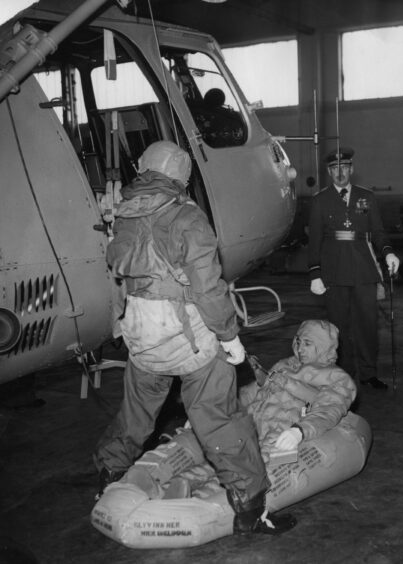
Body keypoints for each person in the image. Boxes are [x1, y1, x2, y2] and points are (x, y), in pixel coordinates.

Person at [93, 141, 296, 535]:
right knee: (219, 420)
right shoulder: (187, 218)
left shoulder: (125, 215)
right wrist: (229, 336)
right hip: (190, 339)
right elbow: (208, 288)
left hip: (141, 334)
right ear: (182, 176)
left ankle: (106, 475)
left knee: (136, 415)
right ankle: (251, 509)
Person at [308, 147, 400, 390]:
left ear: (352, 169)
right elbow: (314, 239)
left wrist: (388, 251)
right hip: (333, 272)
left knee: (368, 325)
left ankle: (369, 373)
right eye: (335, 168)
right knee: (338, 327)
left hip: (363, 270)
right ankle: (344, 375)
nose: (340, 173)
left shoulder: (366, 197)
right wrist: (315, 273)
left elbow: (378, 232)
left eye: (344, 167)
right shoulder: (320, 200)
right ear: (329, 172)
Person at [240, 320, 357, 461]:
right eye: (299, 342)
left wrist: (299, 431)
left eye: (307, 344)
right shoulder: (285, 365)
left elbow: (329, 408)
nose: (300, 349)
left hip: (283, 430)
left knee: (266, 464)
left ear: (323, 346)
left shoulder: (336, 378)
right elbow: (256, 392)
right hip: (254, 424)